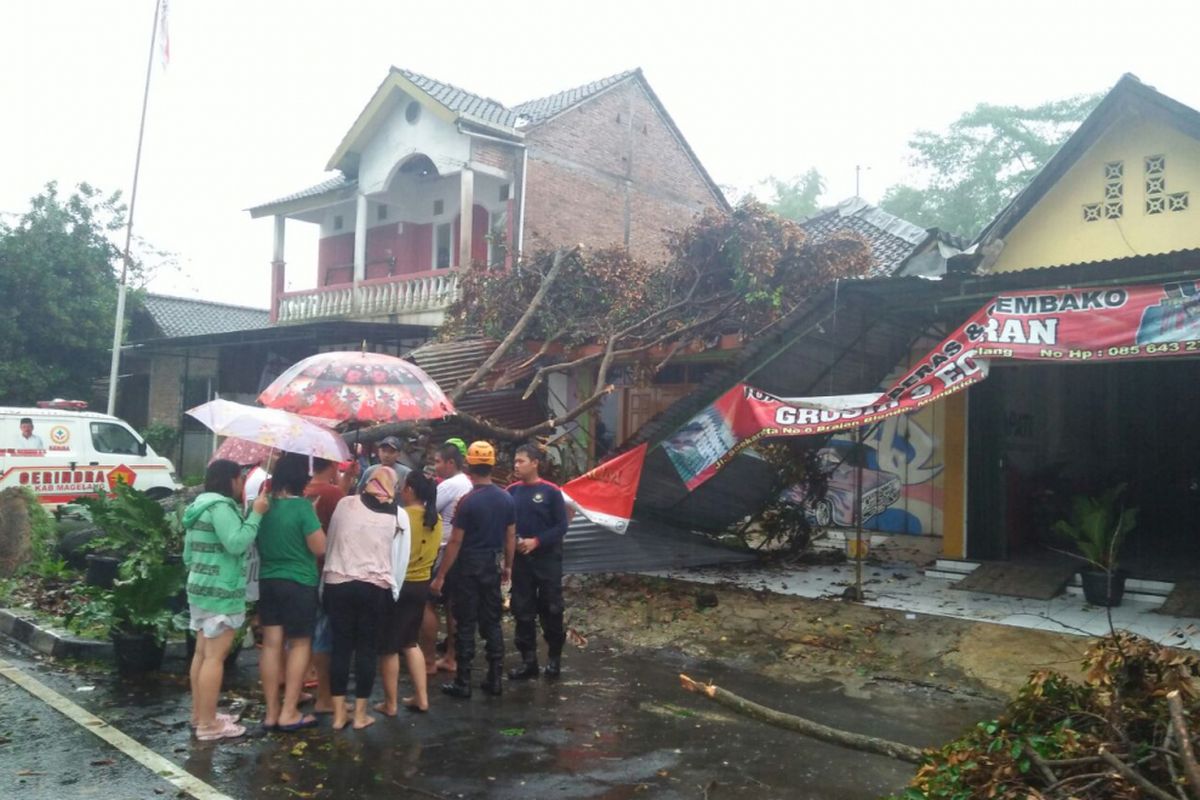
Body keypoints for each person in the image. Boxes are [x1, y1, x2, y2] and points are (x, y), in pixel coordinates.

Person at [182, 459, 269, 742]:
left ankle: (200, 715)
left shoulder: (199, 507)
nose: (243, 484)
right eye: (240, 479)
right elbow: (236, 542)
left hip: (200, 587)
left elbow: (187, 555)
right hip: (221, 591)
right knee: (215, 657)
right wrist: (255, 515)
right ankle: (208, 725)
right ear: (230, 480)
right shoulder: (221, 507)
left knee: (202, 653)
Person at [430, 441, 515, 699]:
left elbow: (455, 540)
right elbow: (511, 535)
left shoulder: (467, 501)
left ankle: (463, 681)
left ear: (469, 465)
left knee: (465, 621)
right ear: (492, 464)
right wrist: (508, 566)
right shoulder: (506, 498)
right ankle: (494, 678)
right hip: (491, 563)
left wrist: (442, 575)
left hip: (467, 565)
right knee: (492, 622)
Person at [321, 467, 403, 731]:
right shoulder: (396, 515)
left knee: (340, 648)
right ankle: (359, 715)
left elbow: (332, 538)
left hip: (338, 584)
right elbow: (396, 556)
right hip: (375, 588)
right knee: (367, 649)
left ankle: (337, 715)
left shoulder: (345, 503)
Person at [256, 452, 325, 732]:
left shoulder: (263, 505)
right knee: (299, 644)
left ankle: (271, 712)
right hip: (299, 583)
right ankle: (289, 711)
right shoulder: (303, 508)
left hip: (268, 581)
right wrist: (315, 517)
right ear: (300, 479)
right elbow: (319, 547)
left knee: (272, 645)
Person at [377, 470, 442, 715]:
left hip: (399, 584)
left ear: (411, 490)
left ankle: (390, 703)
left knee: (389, 646)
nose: (400, 491)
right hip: (421, 584)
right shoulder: (433, 518)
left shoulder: (400, 516)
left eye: (403, 487)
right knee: (410, 642)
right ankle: (421, 698)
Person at [506, 444, 570, 680]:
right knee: (522, 609)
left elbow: (561, 526)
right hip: (522, 561)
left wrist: (537, 541)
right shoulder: (511, 491)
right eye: (515, 461)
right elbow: (506, 524)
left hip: (547, 559)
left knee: (551, 608)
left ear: (535, 463)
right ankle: (528, 660)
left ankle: (554, 659)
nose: (516, 465)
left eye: (521, 461)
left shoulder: (551, 491)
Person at [425, 442, 474, 674]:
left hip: (442, 550)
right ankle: (451, 656)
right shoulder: (466, 483)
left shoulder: (449, 485)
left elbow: (426, 511)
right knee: (453, 606)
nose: (435, 466)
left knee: (428, 604)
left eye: (437, 461)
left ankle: (427, 659)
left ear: (450, 463)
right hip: (460, 551)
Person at [304, 457, 345, 715]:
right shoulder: (333, 494)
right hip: (326, 568)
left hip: (299, 569)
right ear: (332, 466)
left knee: (297, 636)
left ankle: (296, 687)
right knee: (323, 635)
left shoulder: (302, 491)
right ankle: (324, 697)